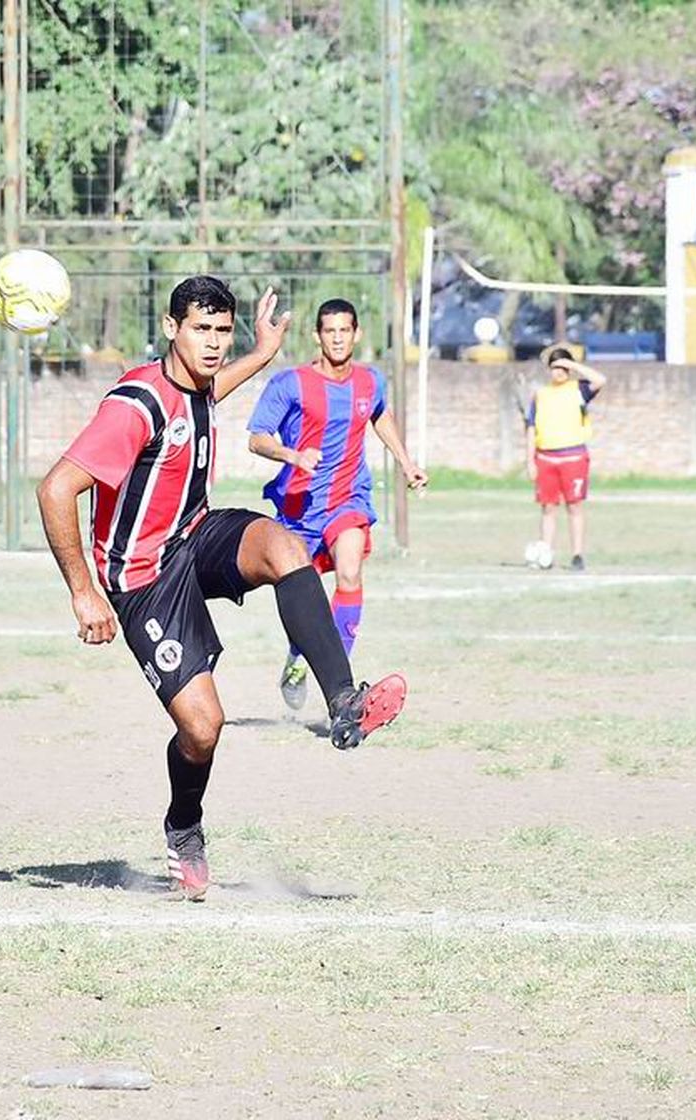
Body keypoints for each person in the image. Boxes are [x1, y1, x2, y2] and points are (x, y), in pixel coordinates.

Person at [36, 276, 408, 903]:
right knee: (204, 728)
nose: (212, 344)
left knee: (286, 547)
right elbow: (55, 489)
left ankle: (344, 700)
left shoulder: (199, 383)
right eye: (200, 330)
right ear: (170, 328)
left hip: (196, 537)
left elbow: (212, 391)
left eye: (220, 330)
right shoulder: (136, 405)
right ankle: (184, 826)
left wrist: (261, 353)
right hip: (143, 578)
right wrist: (83, 591)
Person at [246, 298, 428, 711]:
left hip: (348, 499)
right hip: (299, 508)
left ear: (356, 334)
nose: (338, 338)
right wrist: (292, 456)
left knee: (350, 572)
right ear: (318, 336)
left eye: (345, 330)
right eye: (330, 331)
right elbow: (257, 438)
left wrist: (406, 461)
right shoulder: (290, 384)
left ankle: (339, 690)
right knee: (303, 598)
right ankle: (298, 657)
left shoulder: (370, 382)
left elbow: (379, 416)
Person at [525, 345, 605, 571]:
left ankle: (577, 554)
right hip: (546, 458)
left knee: (574, 506)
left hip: (574, 457)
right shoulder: (541, 395)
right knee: (548, 508)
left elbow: (600, 380)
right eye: (554, 368)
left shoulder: (578, 390)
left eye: (562, 368)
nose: (558, 372)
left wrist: (572, 364)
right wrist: (530, 460)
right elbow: (531, 427)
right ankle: (545, 552)